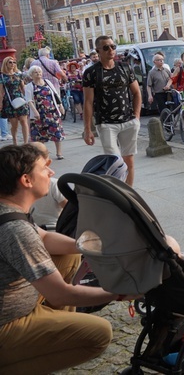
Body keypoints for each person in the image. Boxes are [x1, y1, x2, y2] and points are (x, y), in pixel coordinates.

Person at [0, 144, 137, 373]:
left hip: (18, 302)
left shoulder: (8, 208)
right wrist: (120, 292)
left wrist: (92, 247)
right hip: (7, 322)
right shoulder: (15, 230)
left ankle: (50, 332)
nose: (51, 173)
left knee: (68, 257)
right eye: (44, 168)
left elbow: (43, 236)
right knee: (99, 333)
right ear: (26, 180)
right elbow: (60, 293)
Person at [83, 35, 142, 187]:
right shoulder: (91, 73)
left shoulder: (125, 67)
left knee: (129, 161)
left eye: (113, 46)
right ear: (98, 51)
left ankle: (130, 193)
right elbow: (88, 102)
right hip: (106, 123)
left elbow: (136, 93)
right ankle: (118, 193)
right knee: (114, 162)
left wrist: (136, 117)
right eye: (106, 47)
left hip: (128, 121)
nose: (111, 50)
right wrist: (87, 129)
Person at [25, 66, 65, 160]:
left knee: (56, 132)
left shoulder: (47, 82)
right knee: (40, 134)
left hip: (52, 111)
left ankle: (59, 153)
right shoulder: (29, 86)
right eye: (35, 72)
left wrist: (60, 105)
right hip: (39, 113)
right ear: (31, 75)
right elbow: (29, 100)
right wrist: (35, 112)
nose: (38, 73)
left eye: (39, 71)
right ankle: (43, 154)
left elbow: (55, 94)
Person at [0, 57, 30, 145]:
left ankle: (25, 142)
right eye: (10, 62)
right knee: (14, 124)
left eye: (14, 62)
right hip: (9, 101)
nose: (12, 64)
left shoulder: (18, 74)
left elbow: (23, 87)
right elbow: (1, 92)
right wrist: (0, 104)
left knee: (23, 121)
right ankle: (15, 142)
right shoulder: (2, 76)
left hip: (20, 99)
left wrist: (28, 99)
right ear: (6, 64)